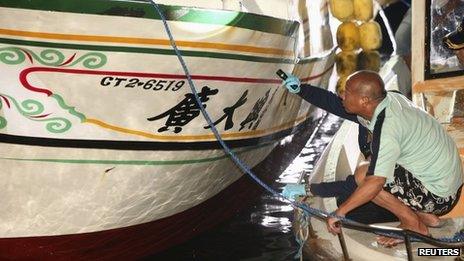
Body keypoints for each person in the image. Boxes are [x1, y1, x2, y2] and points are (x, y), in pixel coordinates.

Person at [282, 70, 463, 247]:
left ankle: (414, 225)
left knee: (364, 174)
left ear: (364, 100)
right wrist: (301, 89)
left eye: (347, 92)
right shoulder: (388, 100)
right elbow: (334, 104)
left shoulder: (387, 129)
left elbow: (373, 182)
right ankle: (424, 216)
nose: (341, 95)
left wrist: (338, 210)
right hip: (447, 186)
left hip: (438, 196)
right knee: (370, 171)